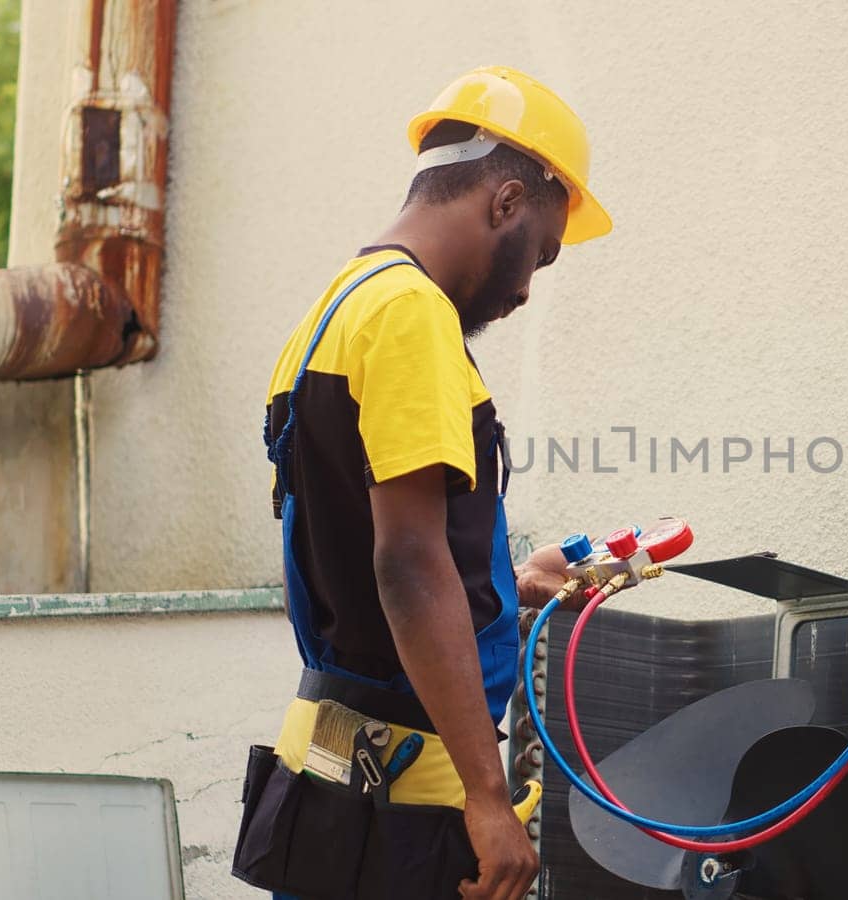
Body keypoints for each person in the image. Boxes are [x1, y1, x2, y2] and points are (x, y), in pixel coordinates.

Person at [233, 65, 611, 900]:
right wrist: (486, 797)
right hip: (408, 805)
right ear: (506, 202)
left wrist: (508, 590)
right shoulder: (413, 318)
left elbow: (360, 555)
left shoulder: (340, 305)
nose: (524, 290)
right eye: (540, 256)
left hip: (337, 778)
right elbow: (406, 566)